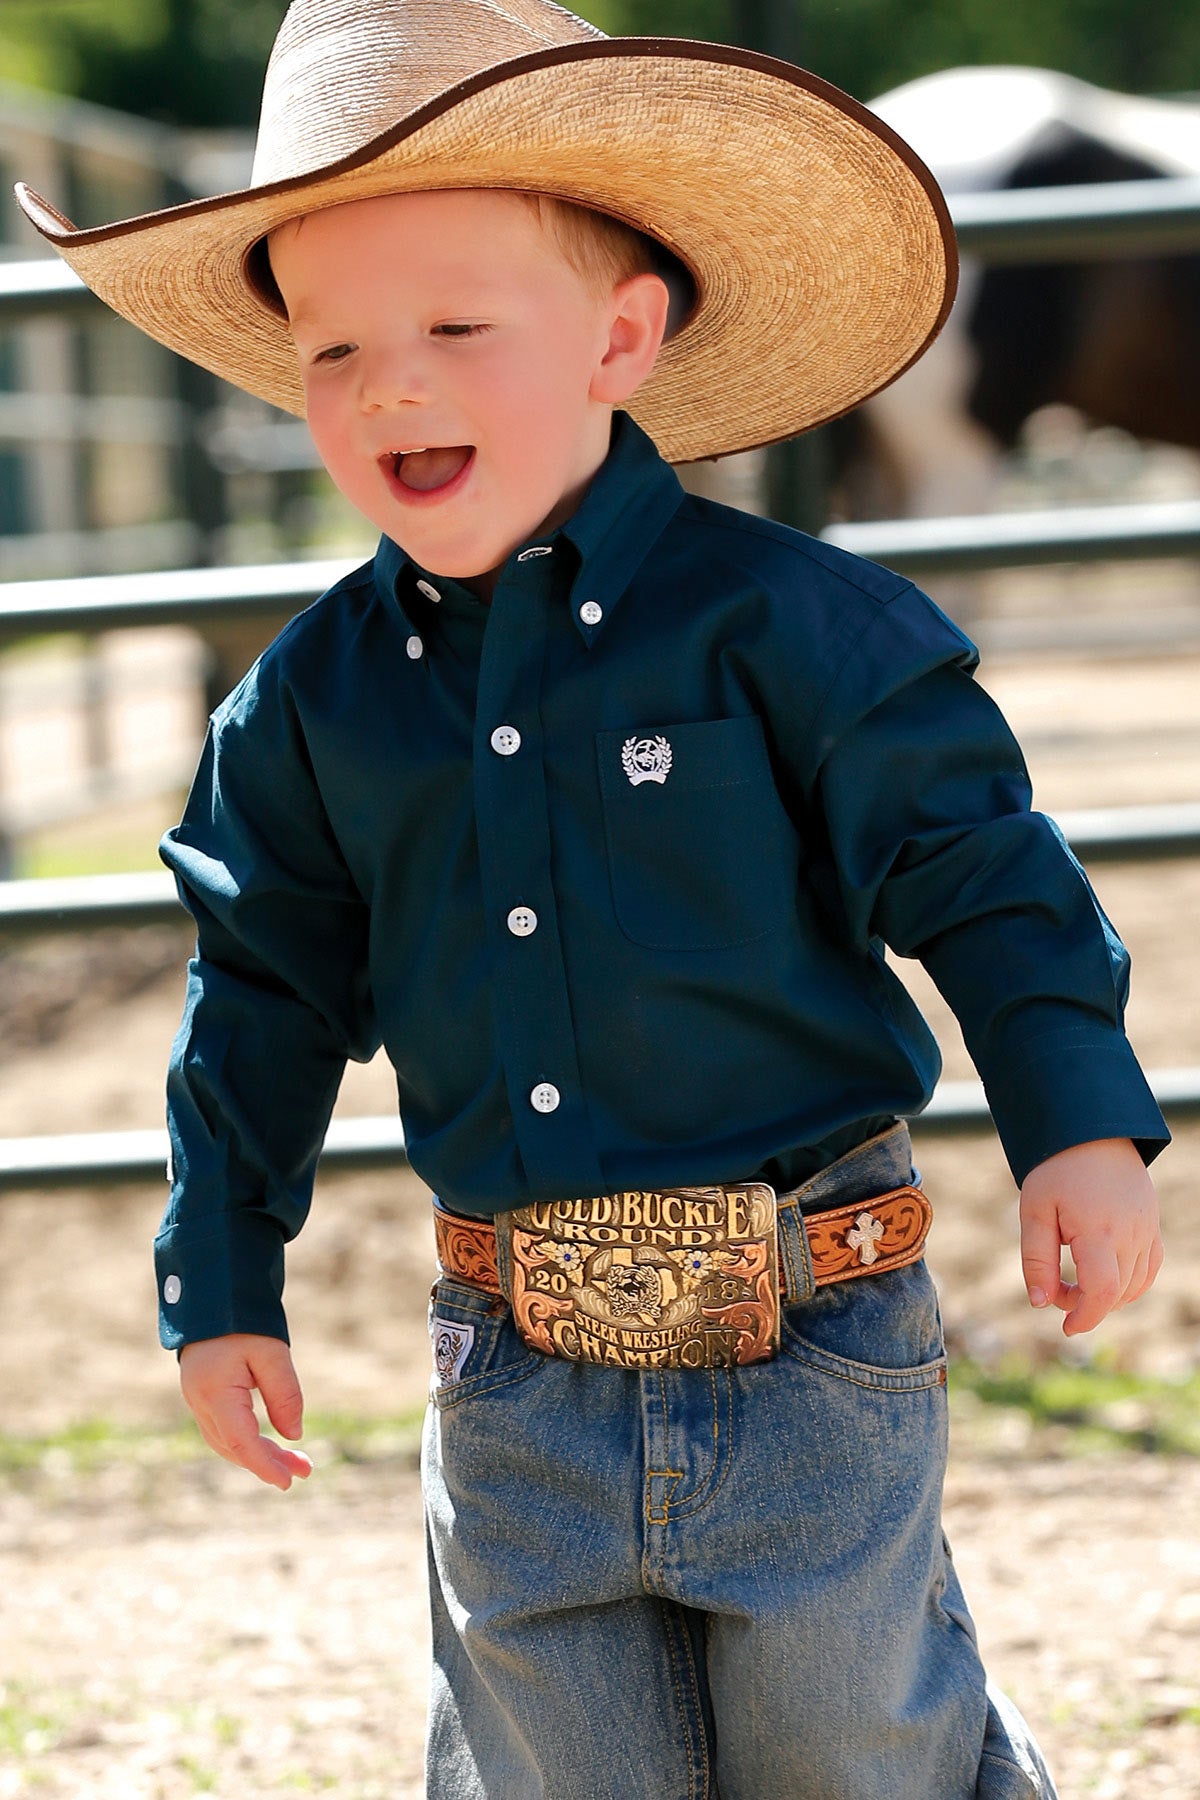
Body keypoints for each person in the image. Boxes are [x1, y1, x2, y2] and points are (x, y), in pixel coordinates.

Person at [18, 1, 1167, 1794]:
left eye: (457, 328)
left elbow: (988, 880)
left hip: (813, 1334)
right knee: (556, 1766)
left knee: (855, 1749)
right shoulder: (309, 708)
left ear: (621, 337)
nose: (389, 383)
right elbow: (257, 998)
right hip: (515, 1369)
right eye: (333, 351)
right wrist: (220, 1270)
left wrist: (1076, 1124)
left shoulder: (793, 627)